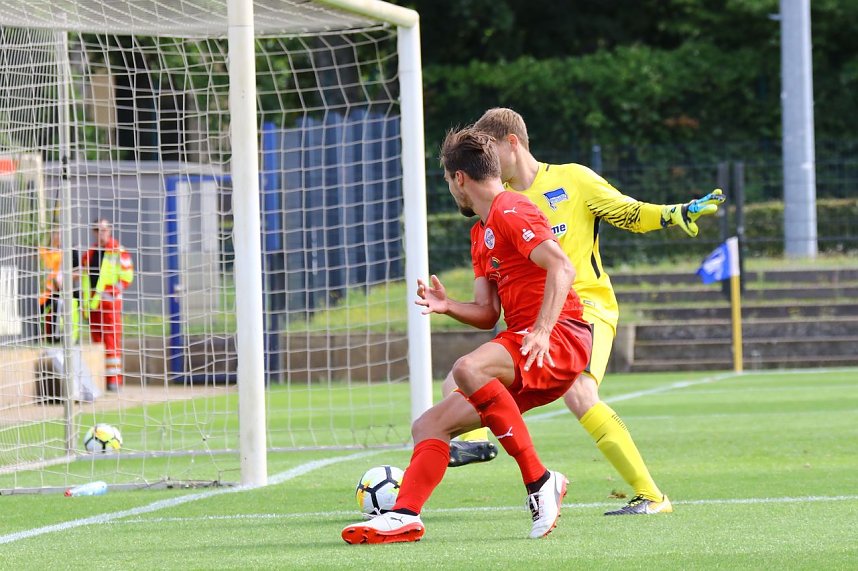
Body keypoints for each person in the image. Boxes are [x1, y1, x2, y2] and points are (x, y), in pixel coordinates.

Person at [447, 107, 725, 516]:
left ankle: (651, 496)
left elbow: (628, 212)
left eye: (490, 149)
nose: (485, 162)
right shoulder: (497, 203)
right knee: (455, 388)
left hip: (586, 307)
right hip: (534, 320)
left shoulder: (572, 179)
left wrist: (675, 213)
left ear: (511, 143)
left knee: (579, 391)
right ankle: (463, 448)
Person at [341, 127, 593, 545]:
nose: (450, 189)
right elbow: (487, 313)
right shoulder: (481, 233)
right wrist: (448, 305)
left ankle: (540, 482)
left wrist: (544, 331)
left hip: (560, 337)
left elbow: (562, 267)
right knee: (430, 424)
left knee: (466, 369)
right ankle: (404, 516)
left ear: (460, 178)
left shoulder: (513, 209)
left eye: (447, 180)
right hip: (525, 349)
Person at [80, 218, 134, 391]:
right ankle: (101, 378)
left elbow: (127, 277)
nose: (101, 233)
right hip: (93, 304)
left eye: (104, 229)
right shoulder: (89, 254)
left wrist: (111, 293)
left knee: (111, 340)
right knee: (96, 341)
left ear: (109, 230)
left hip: (110, 305)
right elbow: (84, 280)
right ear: (93, 232)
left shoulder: (118, 251)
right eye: (97, 229)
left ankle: (114, 380)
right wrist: (84, 302)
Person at [39, 230, 80, 343]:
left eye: (61, 232)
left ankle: (69, 339)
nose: (59, 235)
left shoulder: (71, 251)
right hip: (47, 292)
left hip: (65, 292)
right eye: (56, 232)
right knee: (47, 313)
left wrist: (64, 279)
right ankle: (49, 337)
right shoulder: (44, 252)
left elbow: (78, 273)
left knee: (67, 311)